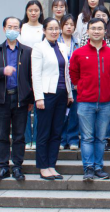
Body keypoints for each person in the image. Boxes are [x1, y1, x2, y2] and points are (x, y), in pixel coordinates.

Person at [0, 17, 34, 182]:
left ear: (20, 29)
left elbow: (32, 77)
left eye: (16, 27)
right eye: (9, 27)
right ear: (4, 29)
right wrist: (2, 71)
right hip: (2, 99)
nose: (13, 30)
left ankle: (17, 166)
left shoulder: (27, 51)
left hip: (21, 99)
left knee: (19, 135)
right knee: (2, 135)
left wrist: (31, 100)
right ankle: (4, 167)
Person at [69, 18, 110, 181]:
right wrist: (79, 86)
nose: (96, 31)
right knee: (87, 137)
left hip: (106, 101)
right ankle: (88, 168)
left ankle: (98, 167)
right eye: (93, 28)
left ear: (105, 31)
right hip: (85, 101)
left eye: (99, 28)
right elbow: (73, 73)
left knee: (101, 138)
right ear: (87, 31)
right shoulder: (79, 53)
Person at [32, 18, 74, 180]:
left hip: (62, 94)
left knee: (57, 132)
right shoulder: (39, 48)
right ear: (44, 30)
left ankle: (51, 165)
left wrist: (69, 94)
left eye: (56, 28)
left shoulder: (62, 47)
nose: (54, 31)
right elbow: (36, 74)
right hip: (46, 94)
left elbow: (66, 73)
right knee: (44, 132)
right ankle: (43, 166)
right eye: (51, 28)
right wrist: (38, 97)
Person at [19, 0, 44, 150]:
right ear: (26, 12)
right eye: (30, 10)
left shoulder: (44, 28)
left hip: (40, 70)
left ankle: (37, 138)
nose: (33, 13)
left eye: (36, 10)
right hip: (24, 70)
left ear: (40, 12)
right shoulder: (21, 28)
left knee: (39, 105)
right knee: (25, 106)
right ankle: (27, 138)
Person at [58, 14, 80, 151]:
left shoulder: (78, 43)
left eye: (72, 25)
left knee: (74, 113)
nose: (69, 27)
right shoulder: (55, 42)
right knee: (60, 112)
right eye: (66, 24)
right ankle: (61, 139)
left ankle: (73, 139)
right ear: (61, 26)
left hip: (74, 83)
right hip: (60, 83)